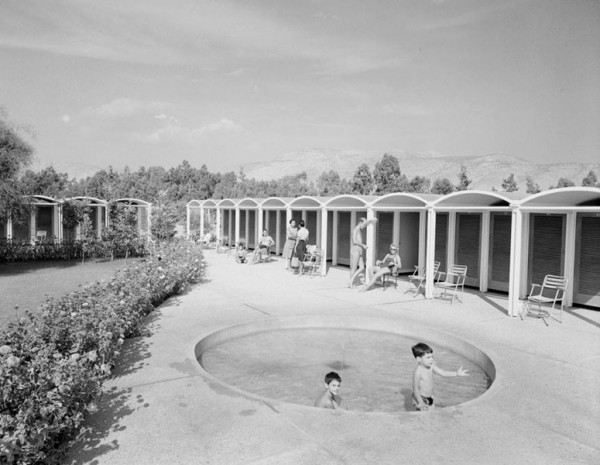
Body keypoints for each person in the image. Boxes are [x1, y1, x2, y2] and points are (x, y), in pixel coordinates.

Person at [411, 342, 469, 411]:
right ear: (419, 359)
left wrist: (456, 373)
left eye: (432, 357)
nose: (431, 359)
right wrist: (421, 402)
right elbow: (415, 389)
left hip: (429, 397)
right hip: (421, 398)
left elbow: (443, 373)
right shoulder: (418, 372)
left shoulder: (431, 366)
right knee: (423, 416)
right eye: (428, 357)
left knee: (432, 414)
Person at [348, 217, 378, 288]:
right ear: (360, 223)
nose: (365, 226)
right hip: (355, 250)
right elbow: (354, 241)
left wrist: (371, 220)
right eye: (364, 225)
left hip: (359, 250)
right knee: (354, 267)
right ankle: (351, 283)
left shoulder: (359, 229)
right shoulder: (355, 230)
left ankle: (351, 280)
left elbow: (365, 222)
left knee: (362, 267)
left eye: (365, 225)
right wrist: (363, 245)